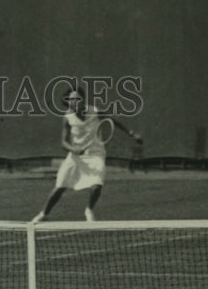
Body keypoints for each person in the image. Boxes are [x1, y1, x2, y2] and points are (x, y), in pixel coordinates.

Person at [31, 87, 142, 222]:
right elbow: (63, 142)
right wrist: (74, 149)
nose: (75, 101)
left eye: (78, 98)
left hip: (96, 153)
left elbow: (113, 121)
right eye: (72, 99)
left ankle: (89, 209)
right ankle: (44, 214)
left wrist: (131, 133)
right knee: (60, 186)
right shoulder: (67, 117)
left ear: (83, 100)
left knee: (97, 184)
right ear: (69, 102)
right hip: (75, 157)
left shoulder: (95, 111)